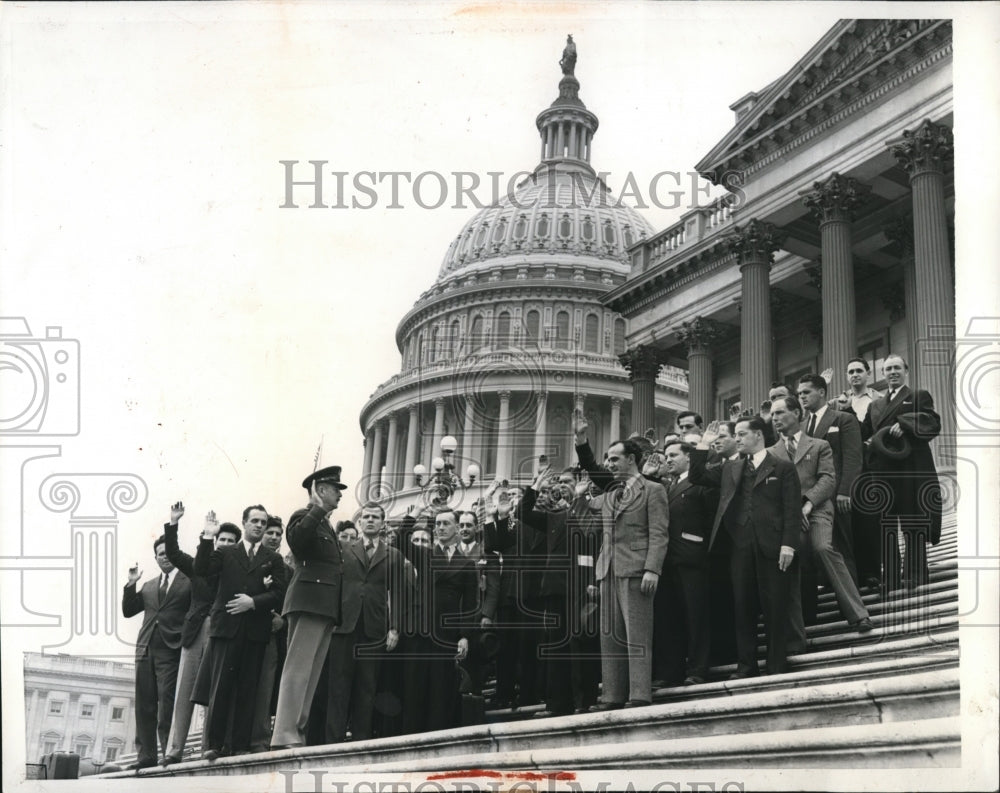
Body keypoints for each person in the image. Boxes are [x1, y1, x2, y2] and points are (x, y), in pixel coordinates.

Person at [689, 418, 801, 677]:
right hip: (739, 547)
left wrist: (788, 545)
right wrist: (704, 444)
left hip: (773, 547)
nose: (736, 439)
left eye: (742, 434)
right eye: (735, 435)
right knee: (742, 606)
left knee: (775, 607)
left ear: (759, 435)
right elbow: (697, 475)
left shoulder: (783, 467)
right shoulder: (732, 468)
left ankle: (776, 665)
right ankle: (746, 665)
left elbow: (792, 510)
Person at [769, 397, 872, 641]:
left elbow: (827, 479)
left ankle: (859, 614)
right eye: (772, 415)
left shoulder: (819, 445)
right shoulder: (771, 453)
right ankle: (799, 626)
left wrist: (807, 504)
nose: (775, 419)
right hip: (788, 514)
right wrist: (793, 510)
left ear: (796, 413)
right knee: (791, 559)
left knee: (823, 548)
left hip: (817, 509)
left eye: (780, 413)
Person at [195, 504, 288, 759]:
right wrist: (207, 536)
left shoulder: (273, 558)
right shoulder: (225, 553)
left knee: (249, 690)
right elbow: (201, 570)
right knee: (221, 688)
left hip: (255, 632)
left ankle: (239, 745)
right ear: (245, 523)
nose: (259, 525)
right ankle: (213, 744)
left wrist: (254, 602)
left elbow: (279, 593)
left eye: (263, 521)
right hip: (226, 630)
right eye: (255, 521)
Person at [586, 438, 670, 710]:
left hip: (636, 568)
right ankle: (612, 695)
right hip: (608, 570)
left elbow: (659, 533)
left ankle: (639, 694)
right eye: (608, 459)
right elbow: (583, 510)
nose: (609, 464)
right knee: (610, 636)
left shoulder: (654, 489)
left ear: (631, 459)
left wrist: (652, 568)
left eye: (614, 459)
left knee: (637, 634)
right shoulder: (611, 495)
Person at [270, 466, 347, 749]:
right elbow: (299, 543)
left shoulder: (325, 524)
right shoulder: (304, 516)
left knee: (310, 674)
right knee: (297, 671)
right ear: (321, 490)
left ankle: (296, 733)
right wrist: (315, 507)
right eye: (335, 489)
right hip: (309, 603)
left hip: (324, 607)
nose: (339, 494)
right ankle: (284, 734)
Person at [162, 509, 239, 765]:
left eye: (231, 541)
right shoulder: (198, 567)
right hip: (195, 632)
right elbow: (173, 553)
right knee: (185, 689)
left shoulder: (237, 571)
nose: (226, 544)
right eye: (222, 540)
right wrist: (173, 523)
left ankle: (210, 745)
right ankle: (174, 749)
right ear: (215, 542)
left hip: (221, 633)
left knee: (214, 691)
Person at [860, 354, 943, 592]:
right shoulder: (874, 405)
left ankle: (916, 575)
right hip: (882, 470)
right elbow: (863, 431)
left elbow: (932, 422)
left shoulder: (917, 396)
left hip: (910, 469)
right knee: (886, 525)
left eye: (897, 367)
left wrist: (905, 422)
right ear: (883, 374)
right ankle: (893, 577)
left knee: (912, 521)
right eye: (887, 369)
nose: (892, 372)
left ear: (906, 370)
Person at [326, 502, 405, 743]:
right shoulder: (344, 551)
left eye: (375, 517)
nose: (370, 520)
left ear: (382, 524)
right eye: (366, 517)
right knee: (338, 686)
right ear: (360, 523)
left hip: (375, 628)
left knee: (367, 686)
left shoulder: (394, 555)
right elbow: (334, 588)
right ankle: (333, 740)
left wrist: (395, 627)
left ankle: (361, 738)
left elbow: (399, 594)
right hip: (344, 626)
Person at [399, 508, 479, 732]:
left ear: (456, 528)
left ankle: (437, 735)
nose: (441, 528)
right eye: (438, 524)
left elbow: (470, 604)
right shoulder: (425, 555)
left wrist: (464, 636)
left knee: (441, 688)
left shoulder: (466, 564)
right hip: (419, 630)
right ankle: (410, 737)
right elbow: (399, 541)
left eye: (446, 523)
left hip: (446, 634)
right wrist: (411, 516)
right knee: (414, 686)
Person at [122, 520, 191, 769]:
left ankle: (167, 753)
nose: (165, 558)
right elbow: (129, 611)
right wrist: (131, 584)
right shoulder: (150, 585)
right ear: (156, 558)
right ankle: (145, 756)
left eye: (168, 553)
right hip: (145, 649)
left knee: (167, 703)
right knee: (144, 705)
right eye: (161, 554)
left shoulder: (188, 580)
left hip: (171, 649)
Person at [654, 441, 719, 686]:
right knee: (670, 618)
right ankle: (670, 671)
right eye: (666, 455)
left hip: (693, 558)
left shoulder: (698, 482)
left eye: (673, 455)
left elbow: (712, 518)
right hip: (667, 561)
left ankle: (698, 668)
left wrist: (701, 546)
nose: (668, 459)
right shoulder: (665, 487)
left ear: (689, 459)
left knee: (696, 616)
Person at [798, 373, 864, 589]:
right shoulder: (801, 427)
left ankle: (853, 598)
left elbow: (853, 457)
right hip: (812, 499)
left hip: (837, 495)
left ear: (822, 392)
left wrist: (846, 491)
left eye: (806, 392)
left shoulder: (843, 418)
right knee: (820, 549)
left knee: (843, 547)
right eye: (799, 394)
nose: (802, 397)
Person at [249, 516, 289, 752]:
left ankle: (260, 739)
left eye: (277, 534)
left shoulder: (287, 569)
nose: (274, 537)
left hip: (273, 635)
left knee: (265, 687)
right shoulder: (249, 562)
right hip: (248, 629)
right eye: (270, 533)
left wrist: (281, 619)